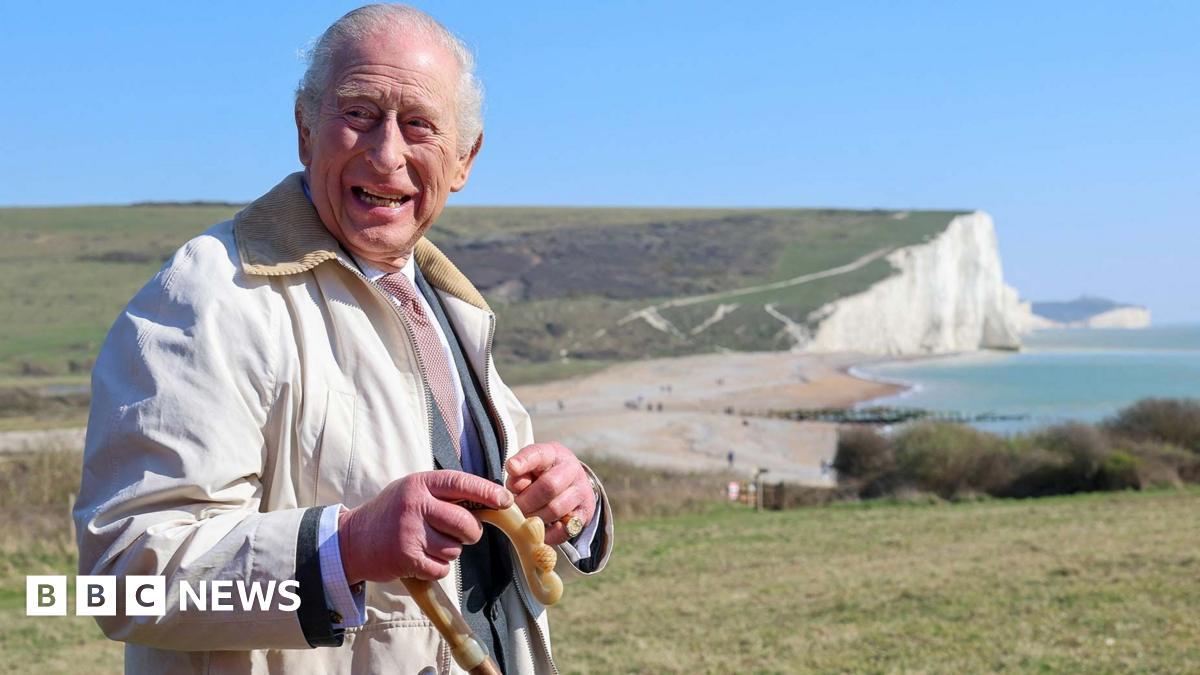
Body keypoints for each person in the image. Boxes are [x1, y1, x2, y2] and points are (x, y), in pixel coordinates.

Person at [73, 5, 612, 674]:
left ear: (464, 159)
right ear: (305, 130)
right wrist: (347, 544)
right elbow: (123, 576)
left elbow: (502, 532)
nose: (386, 154)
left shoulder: (450, 305)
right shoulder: (212, 293)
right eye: (358, 113)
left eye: (418, 124)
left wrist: (571, 504)